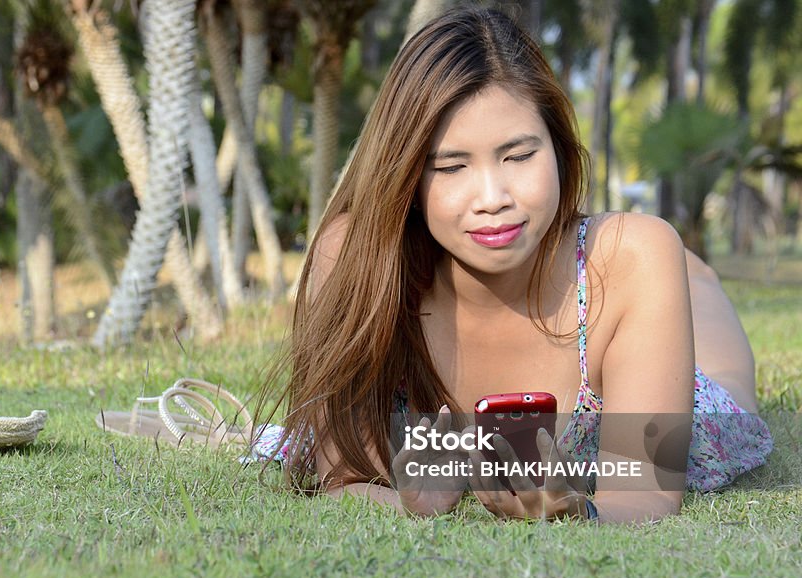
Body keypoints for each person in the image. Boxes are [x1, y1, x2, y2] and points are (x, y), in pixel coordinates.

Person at [254, 6, 772, 524]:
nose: (492, 198)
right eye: (452, 166)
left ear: (559, 149)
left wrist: (580, 510)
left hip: (636, 313)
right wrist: (414, 506)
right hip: (589, 267)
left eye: (520, 156)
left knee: (685, 283)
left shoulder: (634, 256)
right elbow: (346, 480)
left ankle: (690, 274)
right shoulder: (355, 260)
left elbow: (648, 495)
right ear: (408, 177)